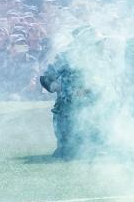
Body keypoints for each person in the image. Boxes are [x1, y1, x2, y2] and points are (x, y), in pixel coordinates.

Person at [38, 25, 105, 159]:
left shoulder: (102, 60)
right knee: (68, 151)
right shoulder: (67, 57)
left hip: (93, 110)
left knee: (94, 148)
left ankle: (95, 145)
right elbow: (46, 78)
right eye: (98, 43)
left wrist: (91, 90)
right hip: (68, 111)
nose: (102, 46)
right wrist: (58, 86)